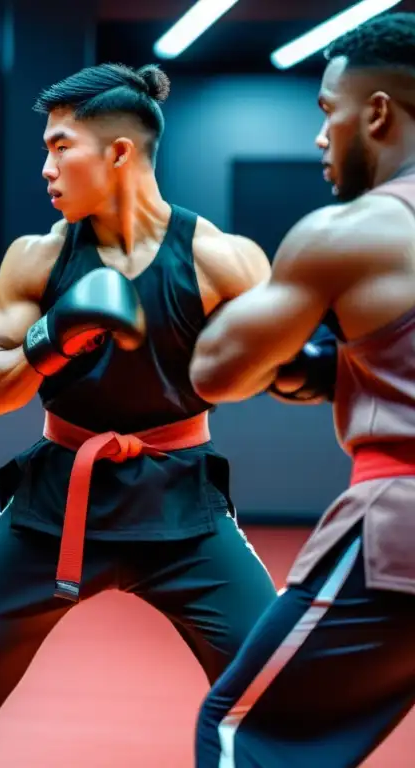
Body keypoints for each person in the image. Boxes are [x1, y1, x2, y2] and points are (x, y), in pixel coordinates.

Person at [0, 63, 282, 767]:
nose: (45, 167)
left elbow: (280, 374)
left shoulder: (221, 260)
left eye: (59, 146)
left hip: (182, 506)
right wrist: (52, 337)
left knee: (277, 675)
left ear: (119, 153)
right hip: (56, 504)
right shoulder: (38, 259)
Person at [191, 13, 415, 767]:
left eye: (328, 112)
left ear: (377, 112)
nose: (321, 138)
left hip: (402, 527)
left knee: (242, 732)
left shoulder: (352, 231)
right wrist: (346, 366)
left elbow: (214, 369)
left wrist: (301, 349)